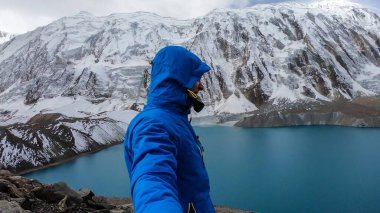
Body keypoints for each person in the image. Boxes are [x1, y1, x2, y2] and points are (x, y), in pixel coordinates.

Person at [124, 46, 214, 212]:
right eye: (196, 79)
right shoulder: (153, 125)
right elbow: (152, 180)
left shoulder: (173, 119)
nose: (201, 86)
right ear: (180, 79)